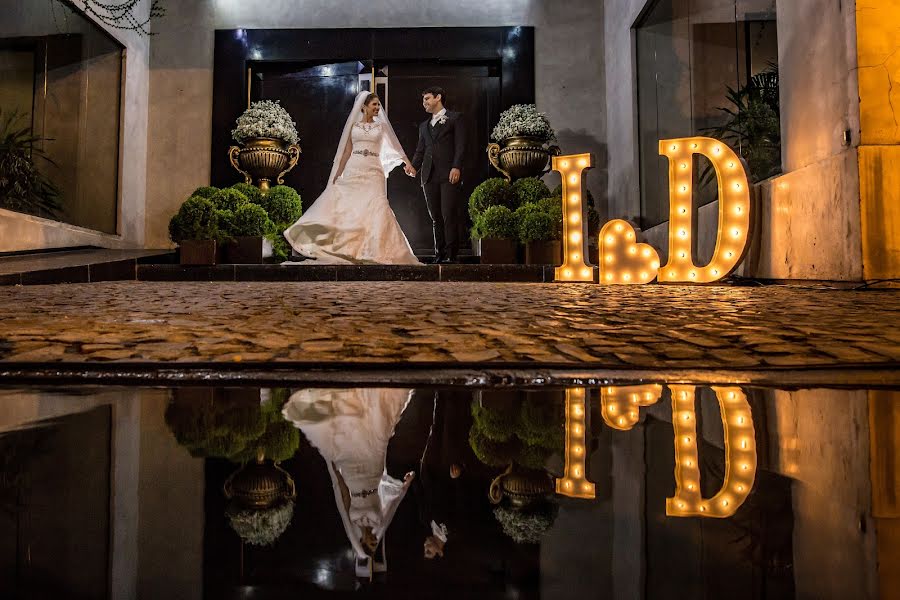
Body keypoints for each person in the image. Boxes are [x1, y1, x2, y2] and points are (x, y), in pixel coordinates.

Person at [282, 387, 415, 580]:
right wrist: (405, 484)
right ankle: (367, 394)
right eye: (374, 545)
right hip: (372, 472)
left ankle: (348, 397)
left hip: (352, 476)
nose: (374, 541)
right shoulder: (379, 522)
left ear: (361, 542)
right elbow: (392, 504)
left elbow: (343, 495)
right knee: (376, 433)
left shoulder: (352, 523)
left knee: (348, 434)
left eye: (369, 544)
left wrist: (334, 469)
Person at [284, 91, 421, 265]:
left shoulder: (382, 127)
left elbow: (397, 147)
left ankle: (376, 250)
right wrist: (336, 175)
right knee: (352, 209)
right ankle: (352, 250)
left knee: (377, 206)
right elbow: (346, 152)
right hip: (354, 168)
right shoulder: (354, 126)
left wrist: (407, 163)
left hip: (374, 170)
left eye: (379, 105)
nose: (378, 108)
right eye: (374, 105)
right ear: (364, 107)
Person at [406, 86, 468, 264]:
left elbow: (461, 146)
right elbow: (420, 150)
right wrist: (413, 167)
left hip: (449, 174)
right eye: (423, 100)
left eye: (427, 99)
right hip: (428, 176)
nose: (424, 103)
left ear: (438, 97)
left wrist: (456, 166)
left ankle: (451, 256)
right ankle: (439, 255)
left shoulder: (455, 118)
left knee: (449, 214)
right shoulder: (424, 126)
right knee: (436, 218)